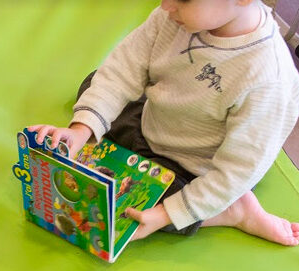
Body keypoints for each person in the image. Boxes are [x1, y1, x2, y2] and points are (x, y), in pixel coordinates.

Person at [29, 0, 299, 245]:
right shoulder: (173, 15)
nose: (165, 4)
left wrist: (164, 215)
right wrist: (81, 130)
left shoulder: (269, 79)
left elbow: (238, 171)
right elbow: (124, 68)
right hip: (154, 123)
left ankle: (234, 211)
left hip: (197, 170)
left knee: (138, 210)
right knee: (95, 82)